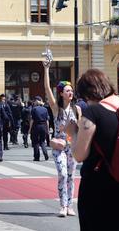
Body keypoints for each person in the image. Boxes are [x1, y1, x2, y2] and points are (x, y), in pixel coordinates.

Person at [70, 68, 119, 231]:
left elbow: (79, 155)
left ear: (87, 94)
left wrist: (72, 133)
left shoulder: (93, 112)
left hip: (103, 188)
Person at [43, 61, 81, 217]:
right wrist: (46, 68)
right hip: (59, 147)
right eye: (67, 91)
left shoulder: (77, 109)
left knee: (71, 176)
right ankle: (62, 205)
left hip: (72, 147)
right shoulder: (56, 108)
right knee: (63, 174)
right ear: (61, 93)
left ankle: (70, 205)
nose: (70, 93)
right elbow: (46, 89)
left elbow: (81, 130)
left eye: (71, 90)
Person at [29, 96, 49, 161]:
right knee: (42, 141)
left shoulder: (34, 109)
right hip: (43, 126)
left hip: (36, 126)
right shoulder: (45, 109)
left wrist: (30, 129)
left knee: (35, 142)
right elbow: (47, 120)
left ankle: (36, 157)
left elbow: (32, 120)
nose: (34, 102)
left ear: (36, 101)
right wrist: (47, 129)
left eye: (34, 101)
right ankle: (45, 153)